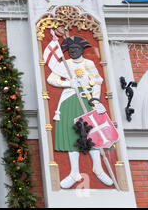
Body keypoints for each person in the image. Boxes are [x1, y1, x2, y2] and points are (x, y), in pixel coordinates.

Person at [46, 36, 113, 189]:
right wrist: (68, 83)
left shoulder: (88, 63)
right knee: (71, 135)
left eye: (75, 49)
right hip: (70, 101)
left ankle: (98, 168)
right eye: (70, 50)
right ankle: (74, 172)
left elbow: (97, 81)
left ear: (82, 50)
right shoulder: (65, 64)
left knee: (93, 133)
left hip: (87, 101)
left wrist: (96, 100)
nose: (72, 52)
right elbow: (51, 79)